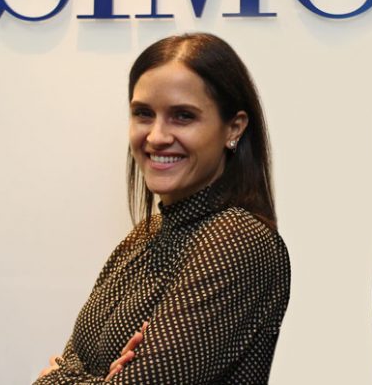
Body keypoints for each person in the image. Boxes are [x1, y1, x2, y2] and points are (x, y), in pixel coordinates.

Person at [35, 33, 290, 384]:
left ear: (234, 127)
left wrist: (59, 378)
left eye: (182, 116)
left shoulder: (238, 241)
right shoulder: (144, 235)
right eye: (143, 114)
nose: (156, 136)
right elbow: (74, 356)